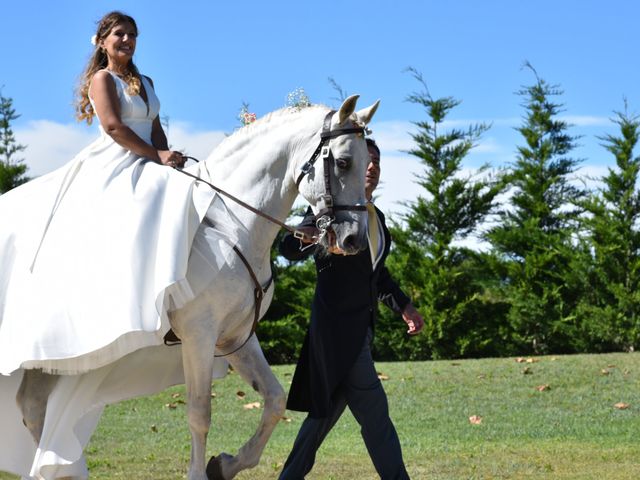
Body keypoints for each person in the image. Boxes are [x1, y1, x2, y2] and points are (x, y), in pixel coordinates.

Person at [0, 10, 227, 375]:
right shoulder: (102, 80)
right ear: (103, 40)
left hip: (149, 158)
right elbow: (114, 127)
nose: (127, 40)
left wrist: (168, 158)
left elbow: (156, 130)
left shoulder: (147, 81)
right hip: (115, 161)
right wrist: (155, 156)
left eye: (132, 35)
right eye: (120, 34)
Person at [278, 138, 425, 479]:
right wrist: (309, 233)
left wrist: (405, 306)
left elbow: (377, 276)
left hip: (360, 331)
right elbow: (290, 247)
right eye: (367, 161)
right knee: (376, 414)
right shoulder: (330, 213)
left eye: (377, 161)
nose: (372, 167)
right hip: (335, 334)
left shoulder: (376, 218)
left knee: (321, 417)